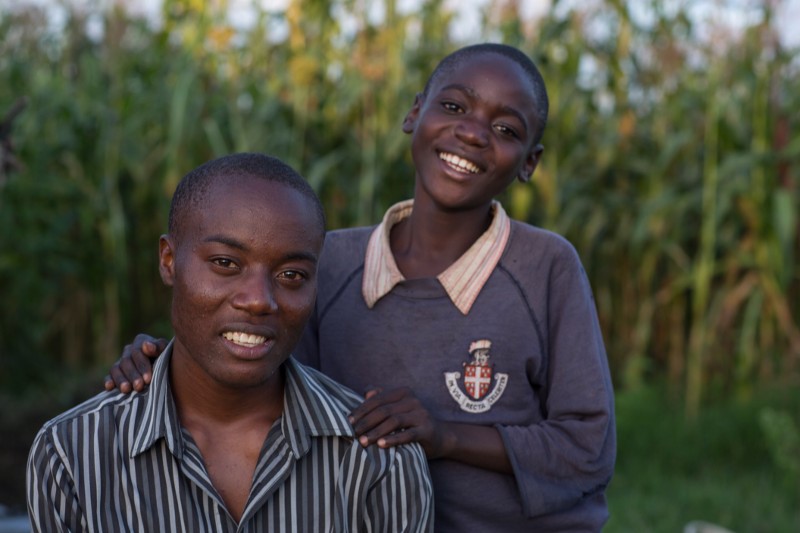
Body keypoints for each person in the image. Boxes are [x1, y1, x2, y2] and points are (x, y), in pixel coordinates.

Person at [106, 43, 616, 531]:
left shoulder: (545, 266)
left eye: (505, 128)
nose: (473, 134)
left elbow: (587, 450)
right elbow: (262, 382)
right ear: (415, 113)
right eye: (454, 105)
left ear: (529, 161)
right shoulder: (325, 262)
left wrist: (445, 436)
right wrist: (167, 366)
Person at [26, 153, 434, 532]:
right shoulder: (72, 454)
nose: (259, 299)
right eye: (225, 263)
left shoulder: (380, 461)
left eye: (291, 275)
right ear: (169, 261)